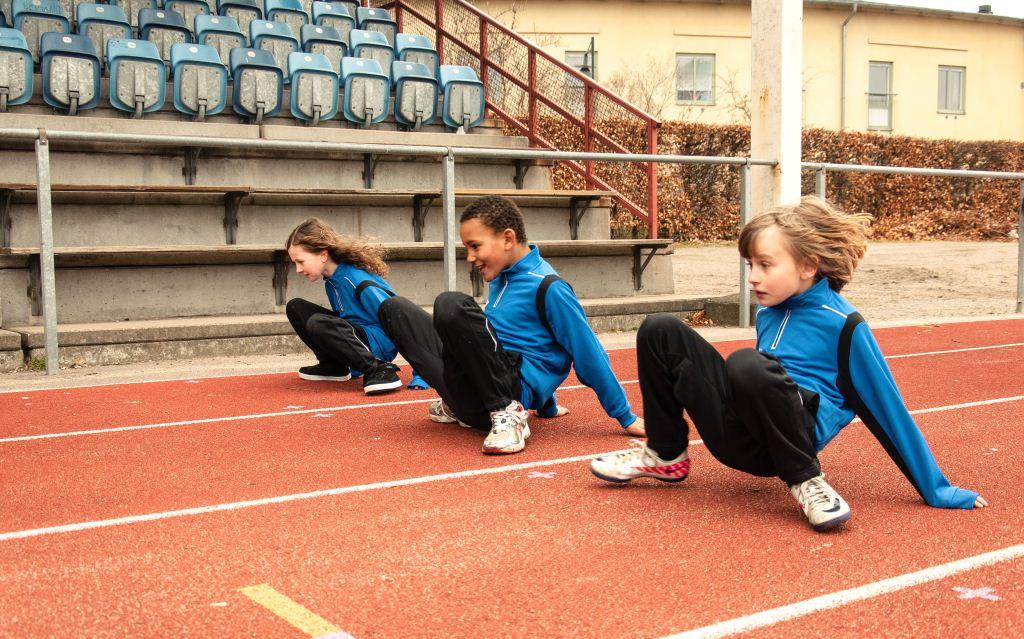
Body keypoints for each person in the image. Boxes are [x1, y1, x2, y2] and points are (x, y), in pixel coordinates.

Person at [590, 196, 987, 531]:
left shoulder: (844, 325)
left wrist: (937, 489)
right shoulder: (770, 312)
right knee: (660, 329)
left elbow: (888, 409)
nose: (753, 277)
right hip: (740, 434)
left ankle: (807, 482)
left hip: (787, 446)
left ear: (808, 266)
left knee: (747, 364)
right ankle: (666, 456)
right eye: (749, 265)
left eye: (765, 265)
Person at [378, 195, 645, 454]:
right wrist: (547, 407)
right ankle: (459, 404)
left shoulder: (550, 288)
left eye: (475, 246)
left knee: (451, 304)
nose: (470, 257)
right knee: (394, 309)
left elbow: (587, 354)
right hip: (475, 390)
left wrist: (626, 416)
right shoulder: (501, 279)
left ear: (507, 239)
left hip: (507, 394)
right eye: (467, 249)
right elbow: (521, 340)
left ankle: (506, 412)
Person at [284, 218, 411, 395]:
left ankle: (378, 369)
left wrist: (421, 372)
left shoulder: (355, 279)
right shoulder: (331, 280)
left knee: (319, 323)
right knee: (296, 307)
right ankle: (334, 367)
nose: (297, 269)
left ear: (323, 255)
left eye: (301, 261)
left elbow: (401, 317)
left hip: (378, 345)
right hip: (358, 336)